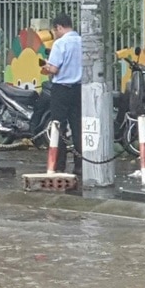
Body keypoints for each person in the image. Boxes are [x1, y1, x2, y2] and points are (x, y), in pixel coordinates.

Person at [40, 13, 83, 176]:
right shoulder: (83, 42)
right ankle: (80, 165)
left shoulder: (60, 44)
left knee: (59, 126)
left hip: (61, 89)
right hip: (79, 89)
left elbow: (54, 69)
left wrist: (46, 67)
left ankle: (59, 164)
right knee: (78, 126)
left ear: (59, 27)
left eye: (55, 30)